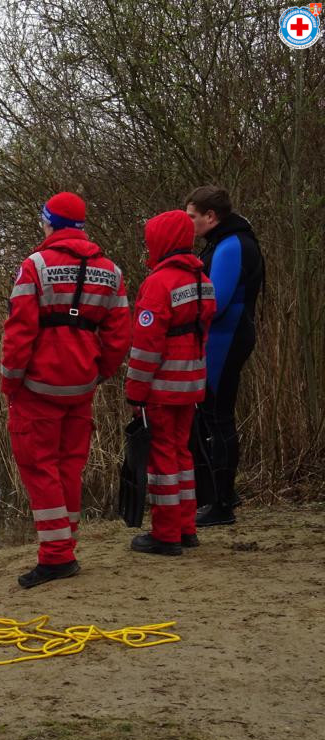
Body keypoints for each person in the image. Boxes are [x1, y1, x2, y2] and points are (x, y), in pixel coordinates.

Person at [1, 192, 131, 588]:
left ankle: (57, 556)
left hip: (37, 386)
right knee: (69, 466)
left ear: (50, 223)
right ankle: (65, 545)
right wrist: (98, 373)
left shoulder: (35, 266)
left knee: (40, 468)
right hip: (81, 386)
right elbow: (119, 335)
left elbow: (19, 331)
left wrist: (10, 380)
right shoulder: (112, 271)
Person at [125, 210, 217, 555]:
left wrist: (135, 391)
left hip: (163, 386)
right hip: (191, 383)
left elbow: (146, 346)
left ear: (161, 241)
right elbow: (203, 333)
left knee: (162, 461)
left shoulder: (159, 283)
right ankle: (186, 528)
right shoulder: (202, 280)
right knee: (182, 455)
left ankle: (166, 535)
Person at [184, 187, 264, 526]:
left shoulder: (232, 245)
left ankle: (222, 504)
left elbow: (213, 304)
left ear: (210, 217)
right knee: (210, 416)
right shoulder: (225, 240)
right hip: (224, 337)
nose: (188, 224)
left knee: (218, 417)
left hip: (226, 339)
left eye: (192, 217)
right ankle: (215, 497)